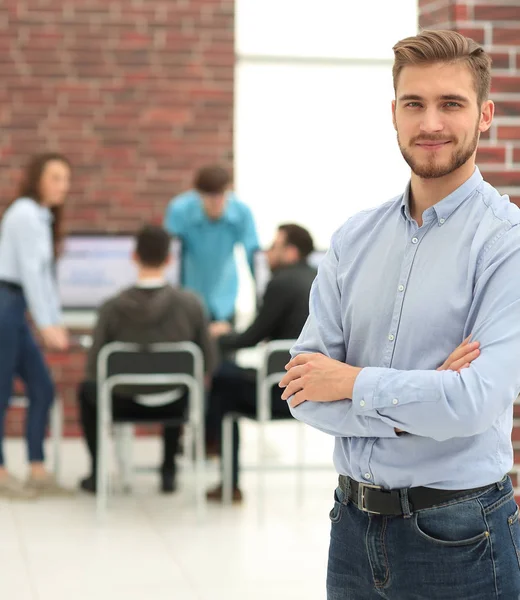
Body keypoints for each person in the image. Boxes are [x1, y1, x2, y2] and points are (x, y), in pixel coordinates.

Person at [280, 30, 520, 599]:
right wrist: (423, 396)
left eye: (451, 104)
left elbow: (475, 404)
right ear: (393, 113)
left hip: (460, 537)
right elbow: (301, 390)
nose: (430, 122)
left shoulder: (506, 243)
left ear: (484, 115)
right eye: (414, 103)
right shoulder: (353, 239)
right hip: (352, 528)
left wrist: (351, 383)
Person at [77, 225, 216, 494]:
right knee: (184, 382)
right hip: (177, 406)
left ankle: (97, 474)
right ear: (169, 259)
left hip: (122, 404)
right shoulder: (191, 304)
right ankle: (168, 469)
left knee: (87, 391)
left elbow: (94, 367)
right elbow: (208, 362)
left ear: (134, 256)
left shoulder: (111, 307)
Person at [206, 224, 316, 502]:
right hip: (318, 391)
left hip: (281, 393)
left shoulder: (281, 283)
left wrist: (218, 337)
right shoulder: (321, 279)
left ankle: (225, 478)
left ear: (290, 252)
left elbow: (252, 336)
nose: (267, 253)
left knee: (222, 381)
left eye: (274, 246)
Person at [0, 152, 71, 498]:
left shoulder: (42, 217)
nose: (63, 186)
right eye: (55, 177)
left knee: (42, 388)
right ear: (37, 178)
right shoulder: (25, 214)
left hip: (18, 307)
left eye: (66, 179)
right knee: (0, 392)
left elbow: (45, 278)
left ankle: (37, 469)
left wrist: (54, 319)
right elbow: (30, 272)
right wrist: (45, 324)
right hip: (5, 304)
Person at [163, 165, 259, 325]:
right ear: (198, 195)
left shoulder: (242, 212)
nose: (216, 202)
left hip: (225, 300)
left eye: (221, 195)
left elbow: (253, 256)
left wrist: (263, 294)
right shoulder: (180, 211)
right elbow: (170, 256)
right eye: (210, 197)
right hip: (188, 300)